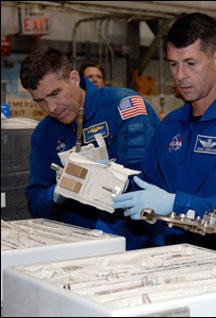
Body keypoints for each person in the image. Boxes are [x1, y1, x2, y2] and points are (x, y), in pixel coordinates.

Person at [112, 13, 216, 258]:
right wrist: (107, 182)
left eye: (191, 63)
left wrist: (177, 204)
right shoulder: (169, 125)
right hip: (174, 260)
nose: (180, 75)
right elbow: (148, 187)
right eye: (173, 64)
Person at [20, 46, 162, 250]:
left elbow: (147, 180)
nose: (50, 108)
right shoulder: (44, 135)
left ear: (75, 78)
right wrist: (56, 192)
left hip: (135, 242)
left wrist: (105, 181)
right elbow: (34, 201)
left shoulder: (124, 107)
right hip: (77, 246)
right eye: (40, 101)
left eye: (55, 94)